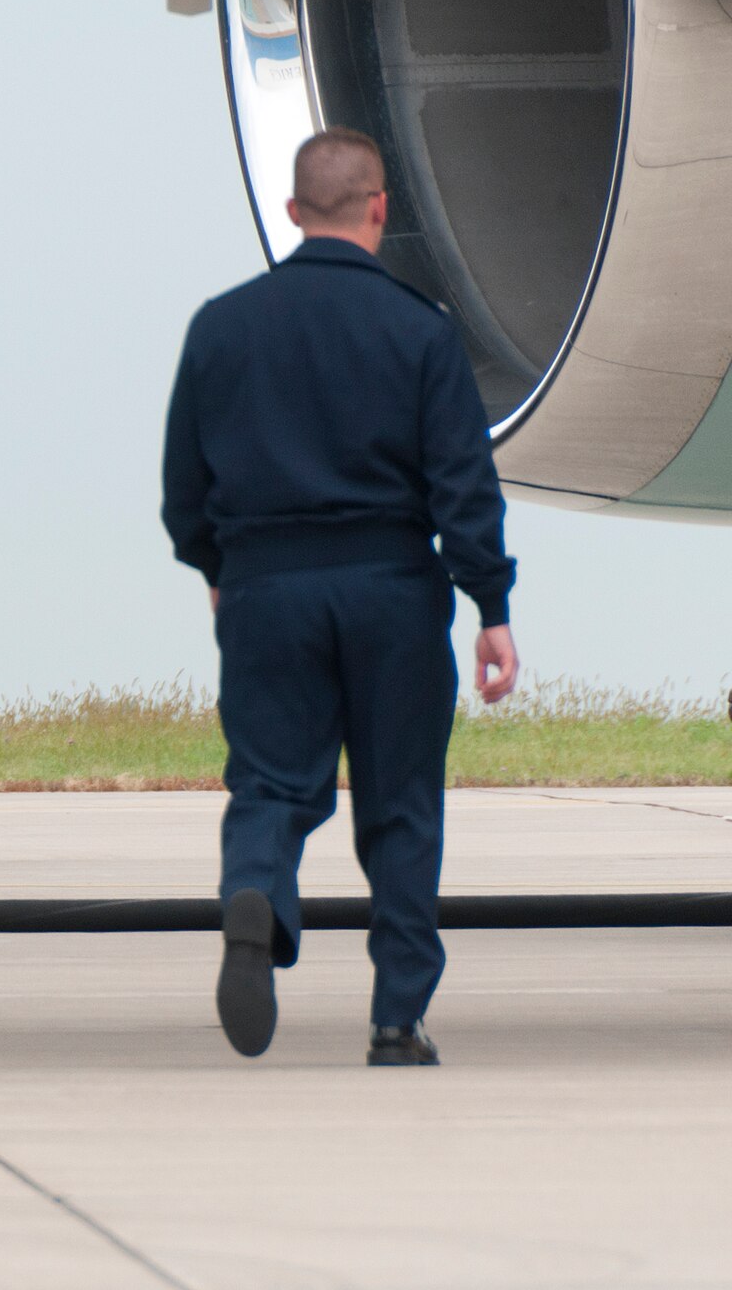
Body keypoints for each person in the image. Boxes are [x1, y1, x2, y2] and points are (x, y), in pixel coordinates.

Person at [160, 127, 520, 1067]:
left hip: (267, 590)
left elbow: (182, 490)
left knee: (272, 782)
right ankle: (397, 1020)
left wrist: (217, 571)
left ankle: (258, 897)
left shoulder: (221, 324)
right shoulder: (421, 328)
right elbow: (462, 485)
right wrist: (491, 605)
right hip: (392, 589)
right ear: (379, 209)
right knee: (401, 803)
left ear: (291, 213)